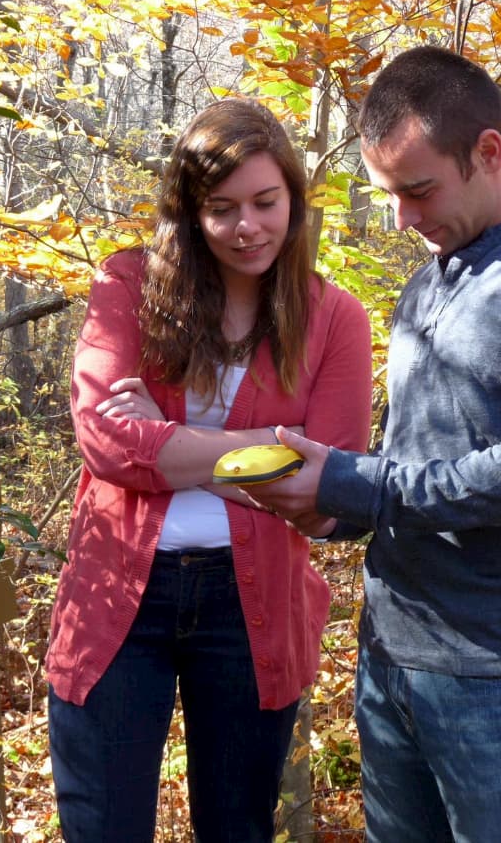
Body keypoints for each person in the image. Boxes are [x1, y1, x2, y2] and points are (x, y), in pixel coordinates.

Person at [248, 46, 501, 842]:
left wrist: (355, 485)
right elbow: (415, 462)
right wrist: (323, 504)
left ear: (488, 151)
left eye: (418, 189)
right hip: (394, 661)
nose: (401, 217)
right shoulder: (429, 283)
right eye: (387, 193)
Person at [45, 98, 373, 843]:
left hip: (252, 605)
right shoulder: (127, 286)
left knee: (238, 828)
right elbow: (104, 441)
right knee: (104, 829)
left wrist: (171, 442)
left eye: (265, 202)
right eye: (221, 209)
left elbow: (324, 482)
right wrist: (262, 449)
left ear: (293, 197)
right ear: (189, 212)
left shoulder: (333, 318)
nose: (246, 226)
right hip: (118, 599)